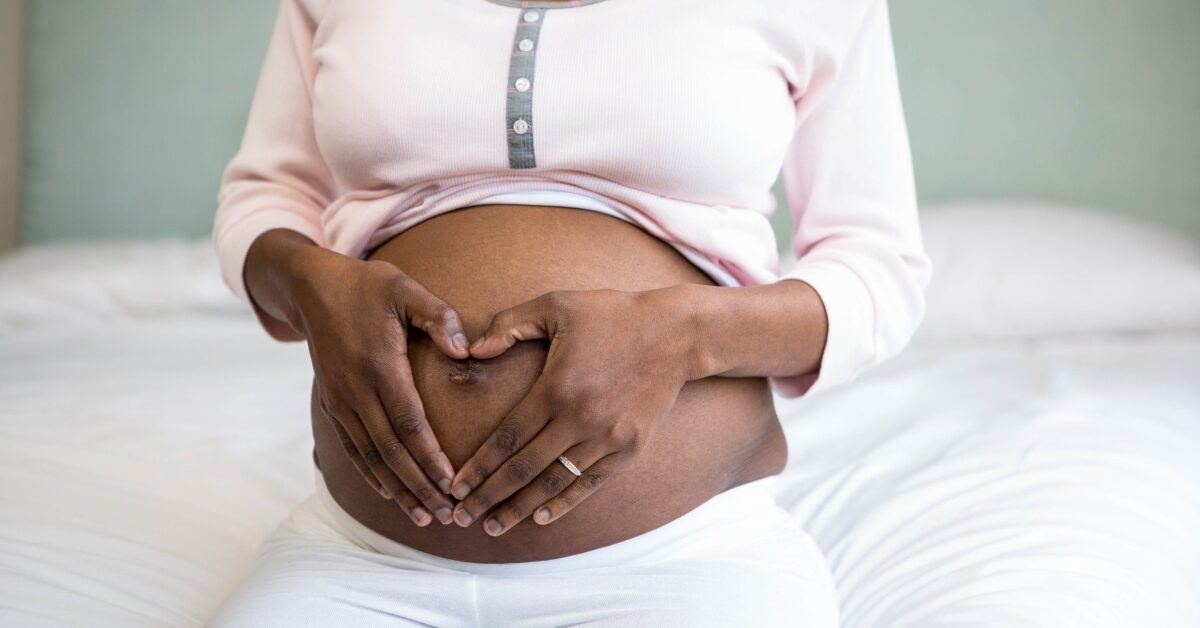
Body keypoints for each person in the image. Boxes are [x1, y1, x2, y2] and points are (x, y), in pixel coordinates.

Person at [207, 0, 931, 625]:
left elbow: (878, 265)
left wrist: (684, 337)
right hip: (358, 557)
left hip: (686, 558)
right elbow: (267, 195)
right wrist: (312, 283)